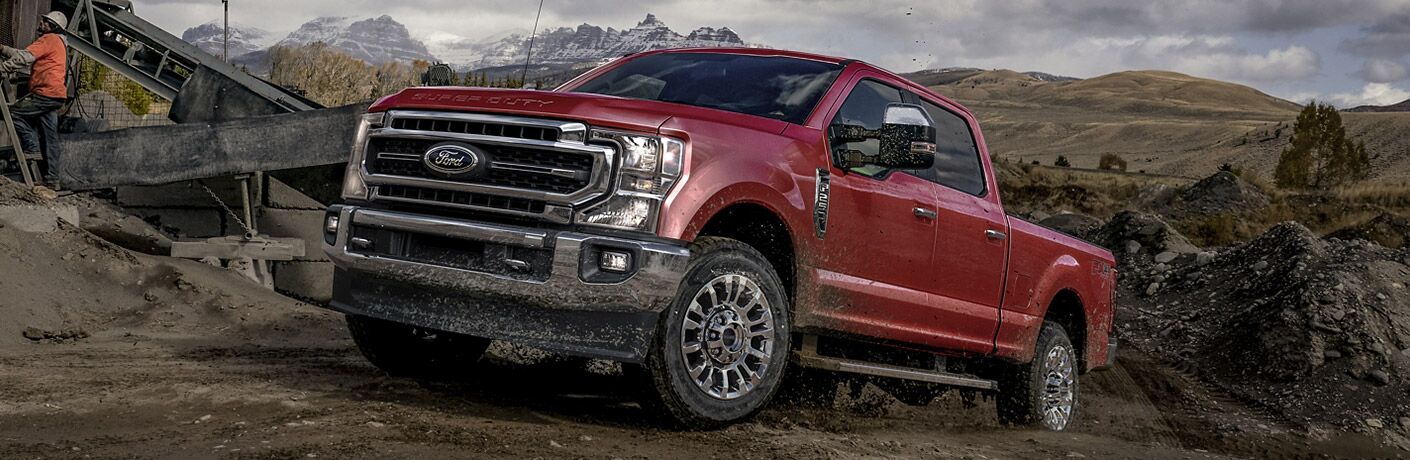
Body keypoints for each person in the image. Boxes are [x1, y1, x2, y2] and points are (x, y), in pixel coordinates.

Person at [1, 11, 69, 184]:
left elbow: (25, 57)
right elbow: (24, 53)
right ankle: (53, 179)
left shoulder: (48, 39)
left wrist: (2, 69)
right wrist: (4, 49)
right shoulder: (58, 43)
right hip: (56, 96)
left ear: (51, 26)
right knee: (50, 137)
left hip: (44, 93)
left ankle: (31, 146)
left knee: (12, 114)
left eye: (45, 21)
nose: (41, 23)